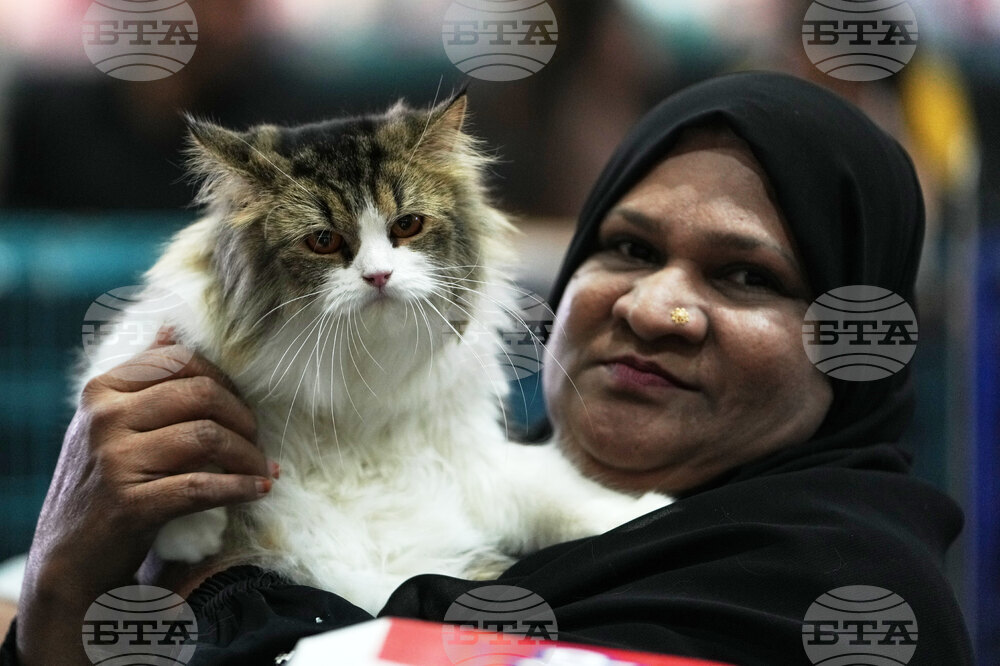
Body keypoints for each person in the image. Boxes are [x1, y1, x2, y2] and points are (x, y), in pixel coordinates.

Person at [3, 72, 973, 665]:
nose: (651, 307)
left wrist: (155, 587)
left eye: (744, 275)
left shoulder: (829, 593)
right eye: (627, 250)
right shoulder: (495, 485)